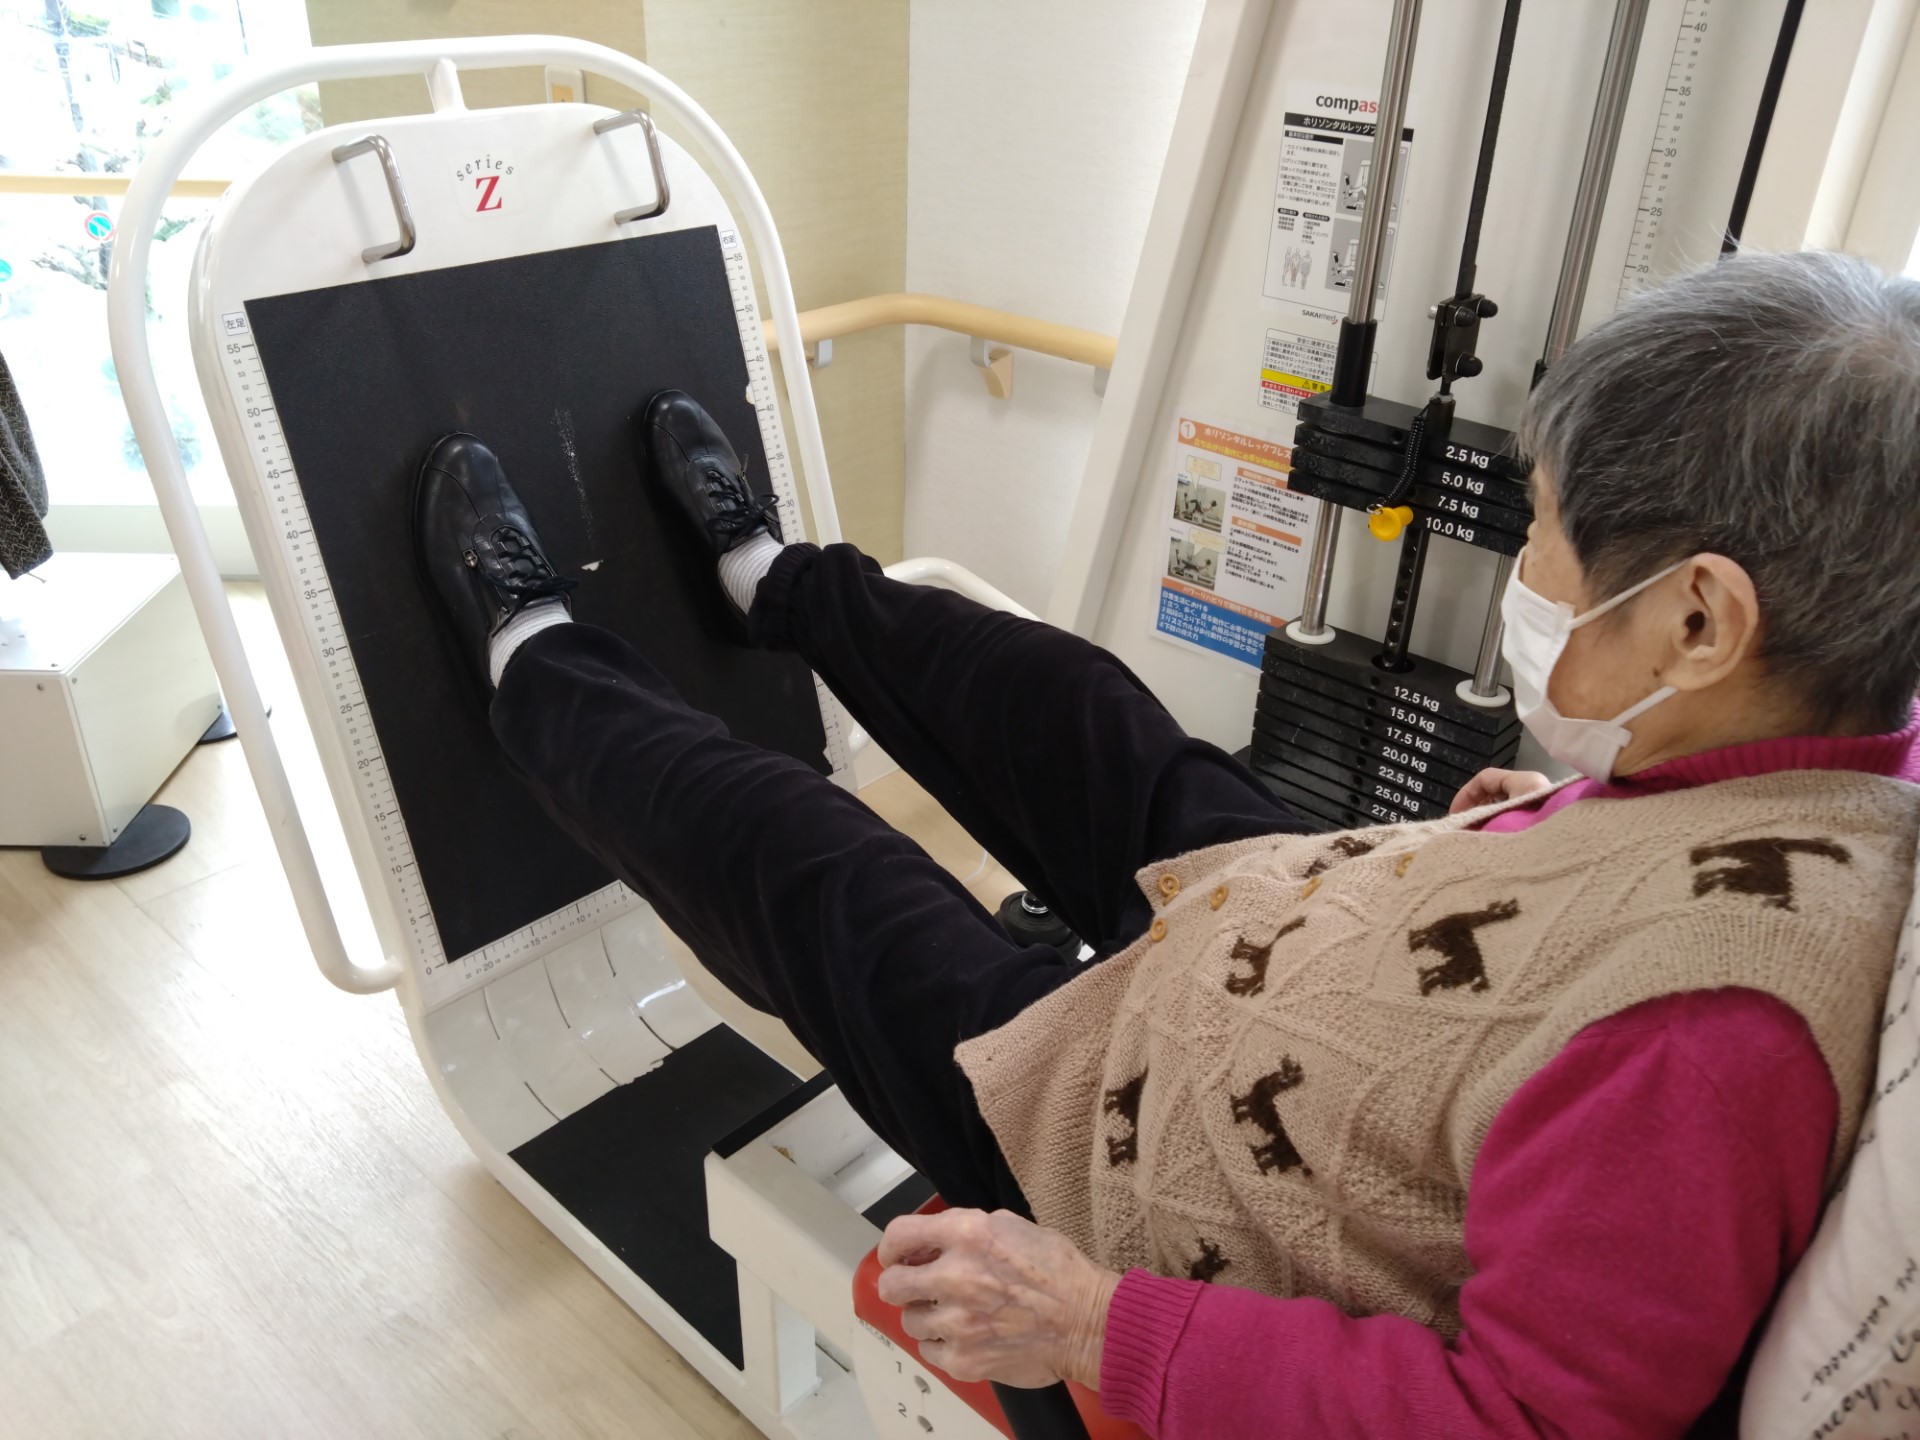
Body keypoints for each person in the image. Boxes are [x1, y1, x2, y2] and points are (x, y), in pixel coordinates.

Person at [412, 250, 1920, 1438]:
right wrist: (1548, 832)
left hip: (1145, 1162)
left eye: (1544, 540)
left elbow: (1517, 1420)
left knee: (821, 868)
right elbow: (1654, 892)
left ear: (1700, 621)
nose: (1529, 569)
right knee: (1070, 700)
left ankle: (534, 664)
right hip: (1309, 961)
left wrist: (1088, 1321)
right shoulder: (1833, 757)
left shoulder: (1707, 1052)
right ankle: (778, 583)